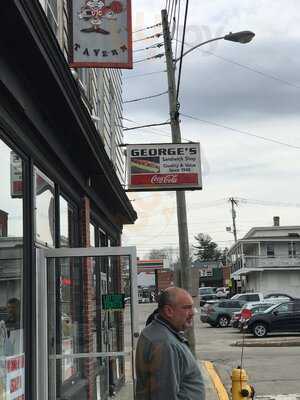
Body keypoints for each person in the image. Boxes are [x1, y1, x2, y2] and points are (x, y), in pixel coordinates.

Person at [136, 287, 205, 400]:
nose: (192, 313)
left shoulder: (158, 333)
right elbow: (165, 395)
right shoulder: (165, 344)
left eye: (192, 307)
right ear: (168, 311)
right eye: (186, 308)